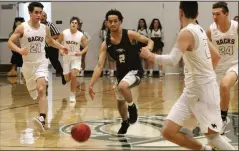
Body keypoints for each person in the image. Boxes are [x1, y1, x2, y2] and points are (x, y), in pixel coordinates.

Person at [140, 2, 234, 150]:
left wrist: (150, 56)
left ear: (180, 12)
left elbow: (172, 60)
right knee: (168, 131)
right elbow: (216, 56)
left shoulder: (186, 32)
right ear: (197, 15)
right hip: (191, 91)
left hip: (202, 92)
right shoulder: (200, 30)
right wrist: (204, 74)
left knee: (214, 138)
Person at [88, 9, 153, 134]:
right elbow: (99, 66)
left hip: (135, 71)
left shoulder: (130, 34)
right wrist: (91, 85)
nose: (112, 24)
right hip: (121, 74)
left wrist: (148, 50)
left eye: (115, 21)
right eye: (110, 22)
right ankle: (125, 122)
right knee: (119, 101)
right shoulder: (105, 43)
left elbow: (150, 41)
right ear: (106, 23)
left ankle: (132, 108)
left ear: (120, 22)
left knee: (123, 87)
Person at [8, 2, 68, 132]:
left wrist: (62, 47)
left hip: (41, 62)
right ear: (30, 13)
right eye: (36, 12)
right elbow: (10, 42)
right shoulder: (22, 28)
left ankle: (42, 118)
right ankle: (40, 114)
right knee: (34, 93)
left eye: (40, 12)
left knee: (41, 89)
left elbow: (50, 41)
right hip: (28, 66)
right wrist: (19, 50)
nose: (39, 15)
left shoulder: (45, 28)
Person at [206, 1, 238, 135]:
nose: (214, 17)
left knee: (225, 86)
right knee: (214, 100)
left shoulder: (236, 27)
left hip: (234, 65)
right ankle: (218, 119)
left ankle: (223, 120)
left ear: (226, 14)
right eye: (213, 14)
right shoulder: (210, 31)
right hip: (217, 69)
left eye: (218, 14)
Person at [57, 16, 88, 102]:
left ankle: (72, 94)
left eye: (76, 23)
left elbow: (86, 47)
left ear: (78, 25)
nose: (74, 24)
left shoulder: (81, 35)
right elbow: (58, 43)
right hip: (66, 56)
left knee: (74, 75)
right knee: (67, 78)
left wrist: (81, 53)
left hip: (76, 56)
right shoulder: (64, 33)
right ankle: (71, 73)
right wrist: (61, 50)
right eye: (72, 22)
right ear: (70, 24)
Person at [40, 11, 66, 85]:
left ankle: (62, 75)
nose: (42, 17)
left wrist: (49, 38)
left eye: (44, 16)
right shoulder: (37, 26)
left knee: (55, 62)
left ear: (46, 17)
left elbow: (57, 35)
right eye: (41, 16)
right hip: (42, 48)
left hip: (52, 47)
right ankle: (44, 81)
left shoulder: (50, 25)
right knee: (42, 64)